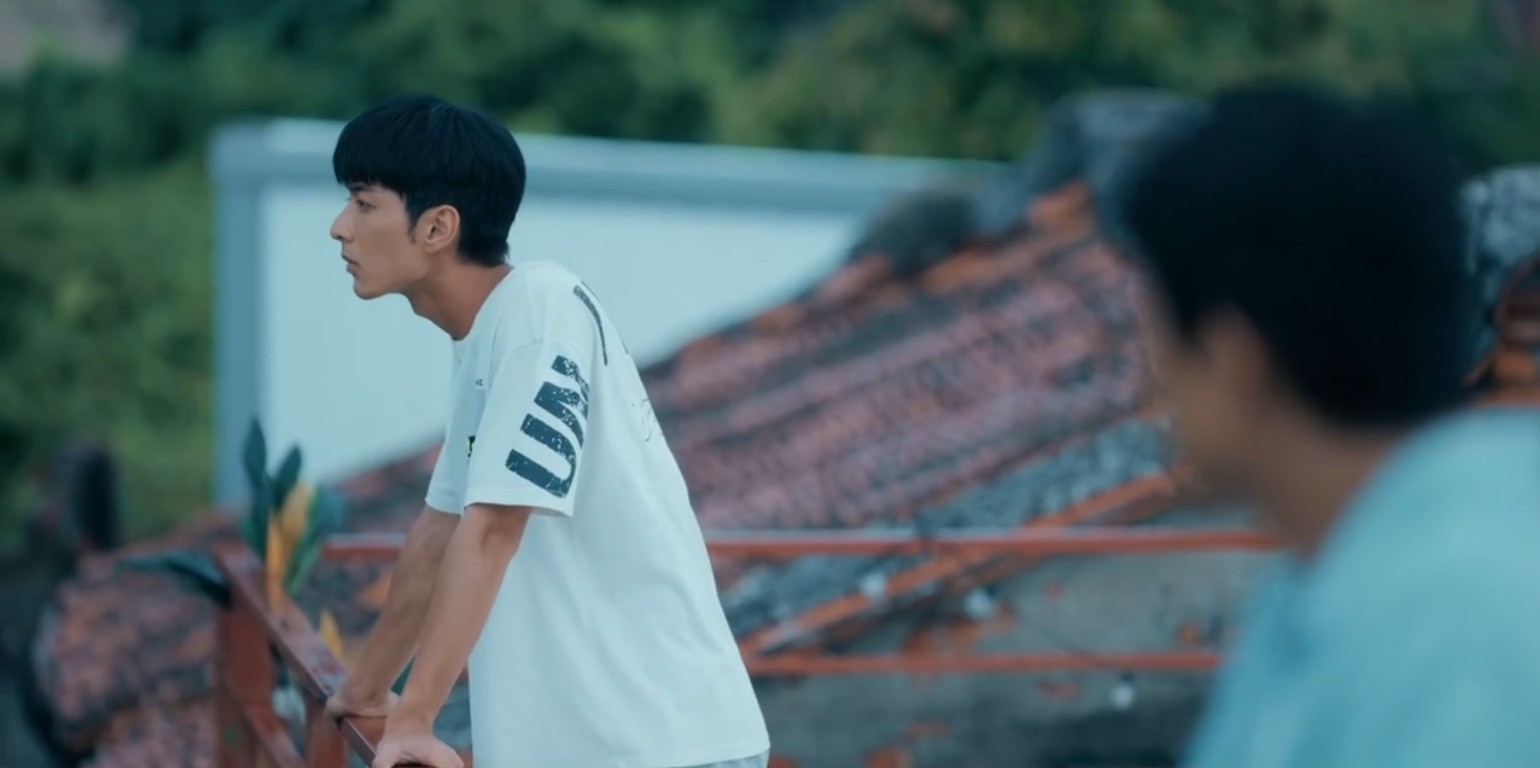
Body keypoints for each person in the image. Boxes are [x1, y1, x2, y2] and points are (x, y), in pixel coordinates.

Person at [321, 93, 770, 768]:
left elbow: (492, 531)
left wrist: (414, 719)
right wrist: (365, 688)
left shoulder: (539, 308)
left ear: (438, 227)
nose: (340, 228)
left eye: (363, 203)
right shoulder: (485, 336)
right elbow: (438, 536)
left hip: (662, 744)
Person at [1115, 83, 1540, 768]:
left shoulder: (1466, 624)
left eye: (1153, 336)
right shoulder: (1321, 580)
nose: (1145, 380)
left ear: (1233, 360)